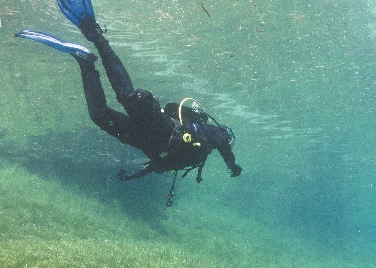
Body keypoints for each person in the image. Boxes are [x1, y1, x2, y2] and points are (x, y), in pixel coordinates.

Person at [15, 0, 241, 205]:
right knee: (127, 97)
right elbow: (222, 141)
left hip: (142, 140)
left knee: (99, 116)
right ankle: (94, 33)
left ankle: (85, 62)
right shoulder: (211, 132)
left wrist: (135, 175)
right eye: (228, 139)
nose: (226, 142)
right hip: (162, 129)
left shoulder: (196, 157)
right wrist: (232, 165)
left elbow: (159, 165)